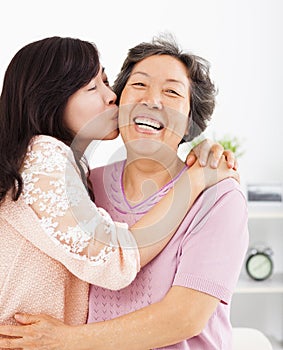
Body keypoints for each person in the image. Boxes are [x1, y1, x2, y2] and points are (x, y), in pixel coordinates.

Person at [0, 35, 247, 349]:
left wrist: (66, 340)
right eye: (139, 85)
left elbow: (185, 317)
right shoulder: (84, 181)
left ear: (190, 123)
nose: (152, 101)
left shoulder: (219, 198)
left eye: (172, 92)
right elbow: (111, 259)